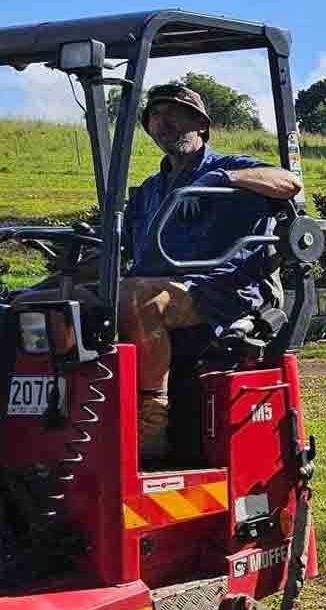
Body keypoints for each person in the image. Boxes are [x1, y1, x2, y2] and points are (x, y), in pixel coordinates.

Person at [117, 83, 301, 461]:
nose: (164, 123)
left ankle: (152, 426)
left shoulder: (227, 167)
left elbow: (289, 182)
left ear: (201, 125)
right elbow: (124, 249)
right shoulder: (150, 190)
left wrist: (223, 181)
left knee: (139, 298)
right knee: (51, 300)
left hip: (220, 293)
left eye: (174, 115)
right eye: (156, 116)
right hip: (153, 284)